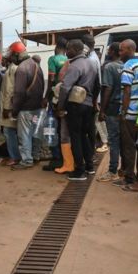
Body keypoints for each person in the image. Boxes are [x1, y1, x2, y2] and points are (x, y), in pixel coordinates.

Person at [56, 39, 100, 181]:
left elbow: (65, 87)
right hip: (88, 104)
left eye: (68, 49)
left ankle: (79, 171)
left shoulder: (74, 66)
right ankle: (89, 166)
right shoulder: (92, 64)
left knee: (75, 137)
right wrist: (93, 102)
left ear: (75, 49)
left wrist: (60, 107)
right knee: (84, 136)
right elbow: (98, 85)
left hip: (75, 105)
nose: (66, 52)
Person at [113, 39, 138, 187]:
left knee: (128, 147)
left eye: (122, 50)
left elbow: (127, 90)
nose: (120, 53)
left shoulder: (128, 65)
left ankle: (128, 177)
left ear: (131, 50)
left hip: (130, 113)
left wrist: (123, 112)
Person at [11, 41, 44, 169]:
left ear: (16, 54)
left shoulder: (22, 68)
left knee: (24, 135)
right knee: (35, 134)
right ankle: (35, 156)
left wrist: (15, 110)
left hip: (25, 109)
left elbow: (19, 92)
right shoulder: (36, 65)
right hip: (37, 107)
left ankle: (26, 161)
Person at [97, 42, 123, 182]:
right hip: (124, 109)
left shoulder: (109, 67)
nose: (107, 52)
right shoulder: (125, 65)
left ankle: (112, 171)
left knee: (113, 141)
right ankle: (123, 170)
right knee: (124, 141)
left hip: (112, 108)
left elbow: (107, 89)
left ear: (113, 51)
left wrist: (102, 110)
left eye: (109, 50)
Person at [81, 34, 108, 154]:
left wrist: (93, 100)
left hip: (93, 96)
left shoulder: (90, 59)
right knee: (95, 124)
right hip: (96, 96)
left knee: (94, 124)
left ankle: (100, 145)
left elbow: (93, 81)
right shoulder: (94, 56)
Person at [45, 37, 69, 171]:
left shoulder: (53, 59)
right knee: (64, 129)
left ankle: (56, 158)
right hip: (66, 98)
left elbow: (51, 79)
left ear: (56, 47)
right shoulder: (68, 60)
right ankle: (65, 158)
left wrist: (46, 96)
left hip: (55, 98)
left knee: (53, 128)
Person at [0, 50, 22, 166]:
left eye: (3, 59)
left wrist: (6, 109)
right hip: (15, 106)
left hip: (9, 108)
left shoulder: (11, 70)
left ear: (8, 59)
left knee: (9, 132)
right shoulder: (14, 69)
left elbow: (9, 90)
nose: (1, 61)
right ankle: (16, 155)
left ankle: (14, 157)